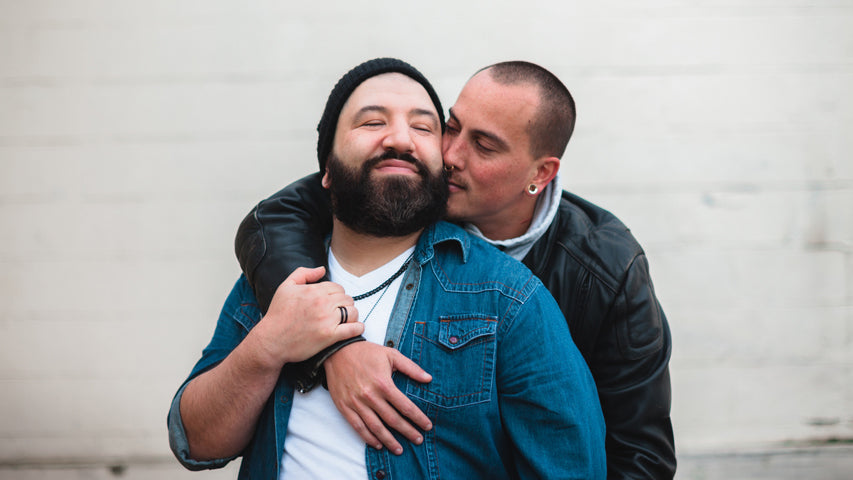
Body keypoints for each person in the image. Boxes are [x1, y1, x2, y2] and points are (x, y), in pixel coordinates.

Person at [235, 60, 676, 479]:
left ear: (540, 173)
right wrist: (330, 349)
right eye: (451, 127)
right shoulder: (409, 193)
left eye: (483, 145)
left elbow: (641, 454)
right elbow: (276, 218)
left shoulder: (605, 271)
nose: (450, 155)